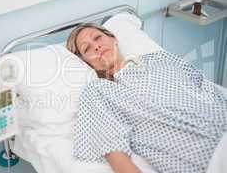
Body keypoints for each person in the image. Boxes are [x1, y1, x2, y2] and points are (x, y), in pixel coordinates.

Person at [66, 23, 227, 173]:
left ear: (113, 38)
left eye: (98, 37)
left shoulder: (159, 59)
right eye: (87, 49)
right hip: (209, 157)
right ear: (87, 63)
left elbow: (205, 87)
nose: (97, 46)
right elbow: (113, 152)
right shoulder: (99, 91)